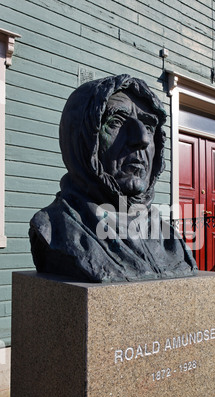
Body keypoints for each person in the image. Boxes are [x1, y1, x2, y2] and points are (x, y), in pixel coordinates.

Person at [29, 74, 198, 282]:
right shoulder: (54, 229)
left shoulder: (170, 240)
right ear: (81, 140)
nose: (142, 139)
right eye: (116, 121)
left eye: (148, 126)